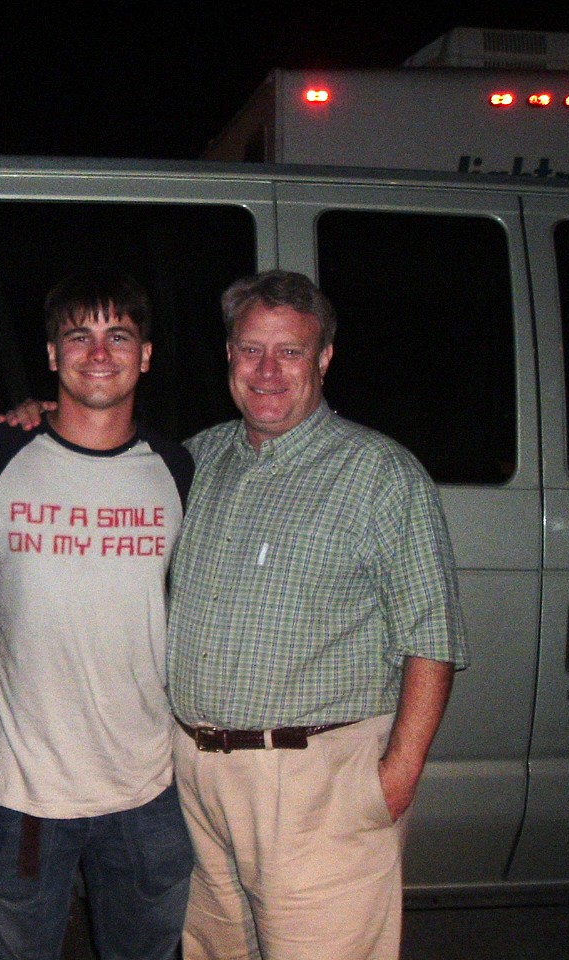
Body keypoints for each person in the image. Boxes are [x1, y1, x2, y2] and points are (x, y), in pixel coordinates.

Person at [168, 270, 468, 960]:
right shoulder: (197, 457)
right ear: (229, 356)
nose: (267, 370)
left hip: (316, 790)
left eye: (290, 352)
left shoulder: (379, 473)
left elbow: (433, 638)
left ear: (324, 358)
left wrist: (396, 777)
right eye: (250, 350)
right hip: (197, 782)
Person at [0, 270, 195, 960]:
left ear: (146, 354)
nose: (99, 353)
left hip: (149, 789)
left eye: (118, 335)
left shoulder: (177, 469)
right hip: (25, 794)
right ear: (52, 355)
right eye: (79, 335)